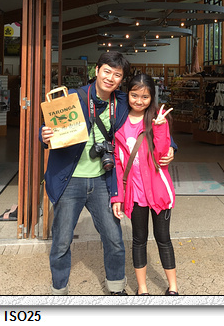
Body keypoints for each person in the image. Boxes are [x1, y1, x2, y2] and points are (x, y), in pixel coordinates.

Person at [40, 51, 176, 296]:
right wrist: (44, 134)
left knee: (114, 238)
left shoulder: (122, 101)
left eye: (117, 74)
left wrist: (171, 147)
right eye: (107, 71)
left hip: (104, 179)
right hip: (70, 179)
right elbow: (50, 128)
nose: (110, 78)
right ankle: (59, 290)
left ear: (122, 79)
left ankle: (116, 287)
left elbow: (149, 117)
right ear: (96, 70)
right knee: (61, 241)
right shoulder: (74, 98)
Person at [111, 73, 179, 296]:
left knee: (163, 239)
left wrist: (160, 128)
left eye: (145, 97)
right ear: (127, 94)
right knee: (138, 240)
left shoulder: (157, 119)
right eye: (134, 95)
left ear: (152, 97)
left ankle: (173, 287)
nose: (139, 101)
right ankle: (142, 289)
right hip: (135, 193)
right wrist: (118, 197)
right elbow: (118, 164)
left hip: (158, 191)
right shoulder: (119, 122)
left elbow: (161, 156)